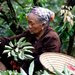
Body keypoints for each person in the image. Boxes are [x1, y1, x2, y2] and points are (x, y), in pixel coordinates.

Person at [0, 6, 61, 74]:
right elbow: (11, 40)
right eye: (28, 22)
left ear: (43, 25)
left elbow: (45, 61)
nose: (29, 26)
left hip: (38, 70)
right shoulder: (30, 33)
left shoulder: (52, 38)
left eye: (31, 23)